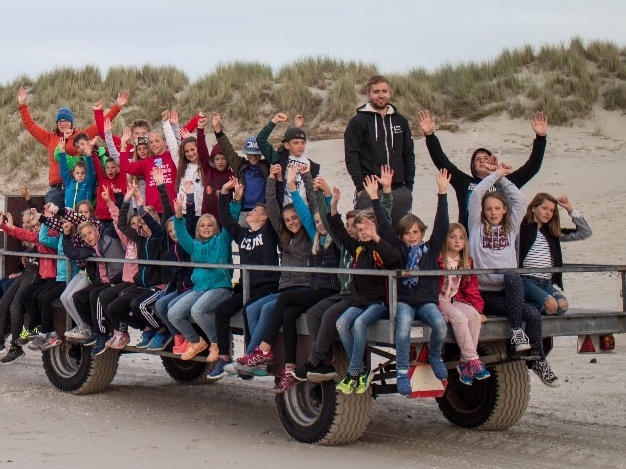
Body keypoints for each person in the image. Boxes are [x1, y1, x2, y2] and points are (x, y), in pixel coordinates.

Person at [236, 167, 340, 394]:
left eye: (295, 219)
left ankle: (261, 351)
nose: (293, 222)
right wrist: (272, 179)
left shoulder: (312, 235)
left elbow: (315, 211)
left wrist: (304, 180)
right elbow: (273, 209)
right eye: (288, 220)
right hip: (289, 288)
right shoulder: (285, 238)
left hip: (308, 287)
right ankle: (285, 367)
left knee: (273, 307)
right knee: (276, 312)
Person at [468, 163, 560, 387]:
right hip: (485, 294)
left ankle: (538, 359)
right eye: (489, 209)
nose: (493, 213)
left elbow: (519, 200)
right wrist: (495, 174)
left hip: (507, 291)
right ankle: (517, 333)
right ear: (483, 211)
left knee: (531, 309)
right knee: (516, 288)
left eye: (497, 208)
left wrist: (504, 180)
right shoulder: (476, 226)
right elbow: (478, 193)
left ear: (504, 210)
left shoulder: (511, 228)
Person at [370, 167, 451, 394]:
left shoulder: (430, 248)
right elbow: (384, 230)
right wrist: (376, 199)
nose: (412, 236)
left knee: (439, 324)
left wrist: (442, 193)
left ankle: (435, 356)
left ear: (422, 233)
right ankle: (403, 371)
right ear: (402, 235)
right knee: (403, 326)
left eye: (416, 232)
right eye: (408, 233)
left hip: (426, 300)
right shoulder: (398, 250)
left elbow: (443, 225)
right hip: (405, 301)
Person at [417, 109, 548, 230]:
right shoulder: (464, 183)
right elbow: (442, 161)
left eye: (486, 158)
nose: (482, 161)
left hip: (498, 242)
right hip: (470, 241)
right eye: (478, 159)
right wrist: (430, 136)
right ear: (472, 165)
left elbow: (532, 168)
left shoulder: (505, 183)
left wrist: (540, 139)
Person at [330, 189, 401, 395]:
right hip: (359, 301)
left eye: (366, 229)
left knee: (359, 324)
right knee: (342, 323)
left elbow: (395, 258)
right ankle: (360, 371)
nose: (362, 233)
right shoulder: (358, 248)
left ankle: (353, 371)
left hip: (378, 303)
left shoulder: (381, 247)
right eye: (359, 230)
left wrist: (376, 237)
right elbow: (339, 231)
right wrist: (334, 205)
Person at [209, 178, 281, 381]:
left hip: (266, 286)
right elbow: (226, 219)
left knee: (251, 309)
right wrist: (225, 193)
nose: (249, 212)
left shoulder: (269, 232)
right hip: (245, 287)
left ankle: (249, 359)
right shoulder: (243, 235)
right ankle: (223, 356)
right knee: (222, 310)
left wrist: (274, 182)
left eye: (255, 211)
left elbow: (275, 211)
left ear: (264, 217)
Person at [17, 87, 127, 207]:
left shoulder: (81, 136)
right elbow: (31, 126)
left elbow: (100, 125)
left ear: (71, 122)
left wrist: (117, 106)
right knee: (52, 220)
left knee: (81, 222)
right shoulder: (50, 138)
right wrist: (22, 104)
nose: (63, 123)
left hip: (80, 187)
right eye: (60, 121)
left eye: (66, 120)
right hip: (57, 189)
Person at [167, 189, 234, 361]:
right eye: (202, 225)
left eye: (210, 225)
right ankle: (196, 341)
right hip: (199, 288)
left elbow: (230, 218)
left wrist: (236, 201)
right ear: (198, 229)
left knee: (198, 311)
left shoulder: (222, 240)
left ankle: (216, 343)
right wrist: (178, 213)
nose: (206, 228)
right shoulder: (195, 245)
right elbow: (181, 234)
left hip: (219, 288)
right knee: (173, 313)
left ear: (215, 228)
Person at [344, 75, 415, 229]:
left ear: (389, 93)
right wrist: (360, 188)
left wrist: (408, 187)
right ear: (368, 94)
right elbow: (352, 156)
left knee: (401, 239)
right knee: (369, 238)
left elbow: (408, 154)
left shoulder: (400, 121)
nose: (381, 95)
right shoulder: (358, 122)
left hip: (399, 192)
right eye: (376, 92)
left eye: (384, 91)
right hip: (371, 192)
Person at [519, 194, 592, 315]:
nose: (548, 213)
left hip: (546, 282)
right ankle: (519, 304)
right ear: (533, 208)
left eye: (552, 210)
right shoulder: (522, 228)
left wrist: (570, 209)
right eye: (544, 208)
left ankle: (530, 305)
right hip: (527, 280)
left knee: (562, 306)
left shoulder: (553, 232)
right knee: (551, 306)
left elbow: (585, 232)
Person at [438, 223, 489, 386]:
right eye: (452, 237)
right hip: (438, 299)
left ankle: (464, 364)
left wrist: (478, 309)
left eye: (461, 238)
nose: (457, 241)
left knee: (473, 317)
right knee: (458, 317)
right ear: (445, 239)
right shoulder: (438, 258)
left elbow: (471, 288)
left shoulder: (466, 261)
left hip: (455, 298)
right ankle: (473, 360)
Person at [215, 113, 270, 227]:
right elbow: (228, 150)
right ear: (246, 153)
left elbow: (280, 154)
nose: (253, 157)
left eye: (256, 154)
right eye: (250, 154)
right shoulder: (240, 165)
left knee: (264, 243)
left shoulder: (267, 166)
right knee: (244, 242)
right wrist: (218, 130)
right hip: (245, 212)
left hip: (263, 212)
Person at [256, 112, 320, 207]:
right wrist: (274, 121)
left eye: (303, 143)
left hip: (304, 211)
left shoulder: (312, 165)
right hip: (284, 210)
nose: (300, 146)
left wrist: (296, 128)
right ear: (286, 145)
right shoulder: (279, 159)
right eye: (296, 143)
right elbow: (261, 140)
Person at [57, 136, 97, 210]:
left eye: (83, 173)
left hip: (84, 216)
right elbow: (64, 170)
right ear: (73, 174)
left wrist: (88, 155)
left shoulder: (89, 184)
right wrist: (62, 151)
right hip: (69, 216)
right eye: (77, 173)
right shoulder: (69, 183)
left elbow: (91, 172)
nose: (80, 175)